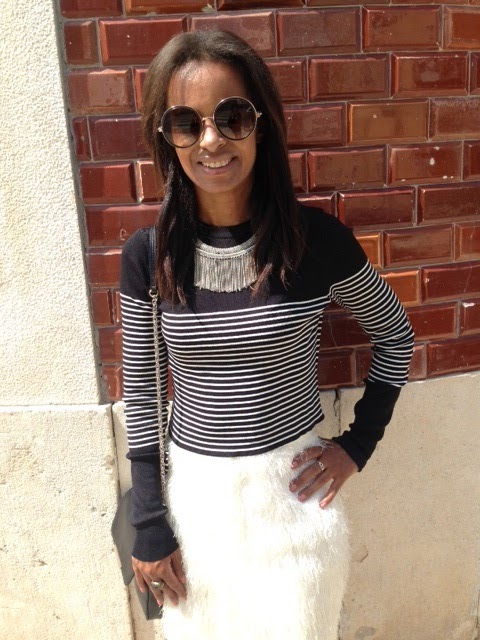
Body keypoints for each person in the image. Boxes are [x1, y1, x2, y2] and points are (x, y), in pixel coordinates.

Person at [119, 29, 414, 640]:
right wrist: (148, 522)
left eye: (231, 117)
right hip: (198, 512)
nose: (211, 141)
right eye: (186, 123)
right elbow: (143, 393)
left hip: (296, 503)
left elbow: (396, 336)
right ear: (166, 137)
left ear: (262, 125)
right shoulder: (148, 257)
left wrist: (357, 446)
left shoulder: (317, 242)